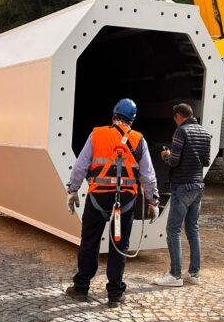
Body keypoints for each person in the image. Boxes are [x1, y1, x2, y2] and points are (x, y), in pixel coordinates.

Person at [65, 98, 160, 308]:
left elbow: (81, 165)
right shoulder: (139, 139)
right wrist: (153, 201)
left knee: (89, 241)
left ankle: (81, 287)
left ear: (114, 116)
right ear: (132, 120)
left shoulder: (97, 134)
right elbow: (148, 175)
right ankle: (115, 294)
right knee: (119, 246)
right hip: (124, 203)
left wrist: (72, 190)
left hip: (98, 198)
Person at [154, 103, 211, 287]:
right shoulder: (204, 132)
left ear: (179, 116)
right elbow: (206, 160)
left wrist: (165, 154)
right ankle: (194, 274)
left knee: (173, 230)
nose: (175, 122)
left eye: (175, 119)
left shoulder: (181, 132)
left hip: (183, 186)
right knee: (193, 229)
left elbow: (173, 161)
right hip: (198, 186)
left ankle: (175, 275)